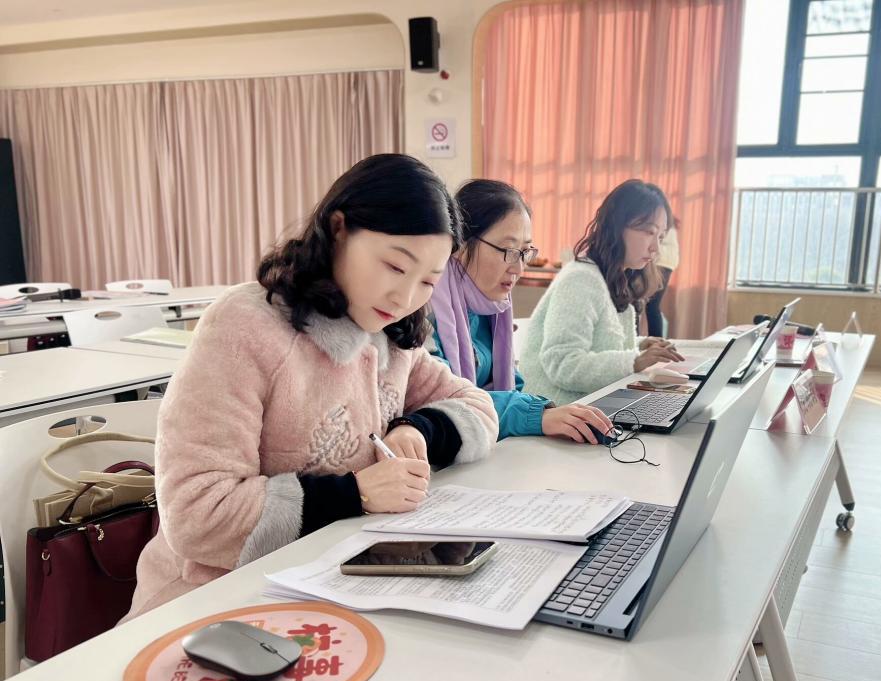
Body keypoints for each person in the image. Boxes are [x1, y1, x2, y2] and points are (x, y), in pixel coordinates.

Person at [125, 154, 498, 618]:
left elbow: (476, 406)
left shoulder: (389, 335)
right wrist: (356, 494)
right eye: (394, 266)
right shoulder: (246, 326)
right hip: (215, 602)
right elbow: (197, 513)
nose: (404, 298)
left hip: (338, 585)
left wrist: (417, 428)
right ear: (339, 229)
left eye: (427, 281)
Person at [429, 179, 614, 443]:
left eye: (525, 252)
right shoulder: (425, 313)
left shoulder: (492, 310)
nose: (518, 268)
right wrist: (536, 415)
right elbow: (443, 401)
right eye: (508, 250)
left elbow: (511, 385)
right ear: (460, 244)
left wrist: (546, 412)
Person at [519, 179, 685, 406]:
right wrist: (635, 361)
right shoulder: (580, 279)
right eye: (649, 232)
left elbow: (601, 343)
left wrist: (640, 346)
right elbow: (563, 364)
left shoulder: (614, 278)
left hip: (589, 407)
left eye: (661, 237)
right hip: (556, 410)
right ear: (617, 227)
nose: (656, 248)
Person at [645, 219, 679, 337]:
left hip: (659, 263)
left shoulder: (659, 221)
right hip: (668, 264)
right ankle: (657, 340)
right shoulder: (668, 222)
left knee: (649, 306)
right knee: (653, 306)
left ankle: (653, 340)